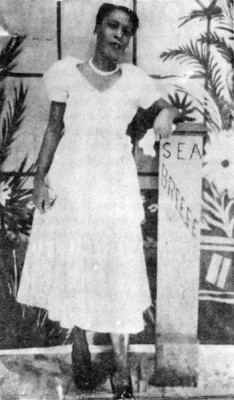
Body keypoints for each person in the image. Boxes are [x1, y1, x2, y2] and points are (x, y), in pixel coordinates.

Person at [17, 2, 182, 399]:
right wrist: (39, 180)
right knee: (76, 265)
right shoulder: (66, 74)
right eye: (113, 26)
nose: (119, 36)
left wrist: (164, 115)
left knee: (119, 270)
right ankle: (80, 349)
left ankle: (122, 370)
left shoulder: (133, 79)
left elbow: (167, 106)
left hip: (113, 184)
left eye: (127, 31)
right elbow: (54, 130)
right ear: (97, 28)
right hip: (71, 183)